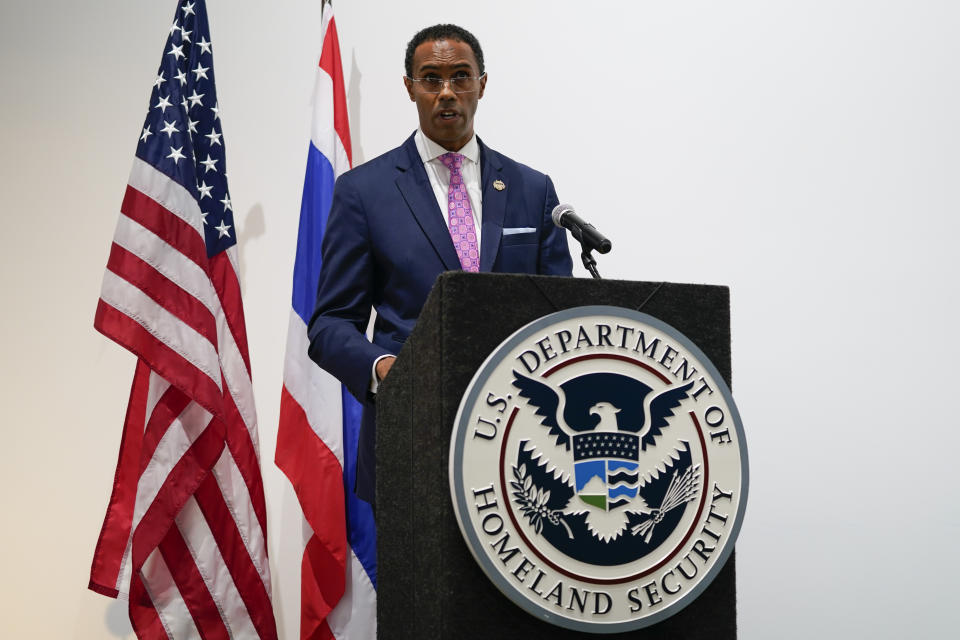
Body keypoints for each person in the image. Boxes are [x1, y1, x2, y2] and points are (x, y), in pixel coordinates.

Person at [307, 24, 573, 504]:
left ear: (482, 84)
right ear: (409, 87)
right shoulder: (364, 192)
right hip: (414, 434)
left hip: (524, 444)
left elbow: (562, 315)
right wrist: (384, 368)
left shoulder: (534, 191)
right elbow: (330, 324)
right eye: (431, 78)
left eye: (460, 77)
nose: (447, 92)